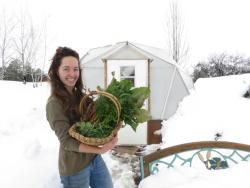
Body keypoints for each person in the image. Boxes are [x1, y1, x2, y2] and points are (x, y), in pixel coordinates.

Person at [46, 46, 118, 188]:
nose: (72, 74)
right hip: (74, 167)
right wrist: (100, 149)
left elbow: (98, 117)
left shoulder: (81, 96)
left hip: (94, 159)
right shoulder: (54, 104)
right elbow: (67, 142)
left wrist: (113, 124)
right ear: (56, 71)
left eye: (76, 69)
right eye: (66, 69)